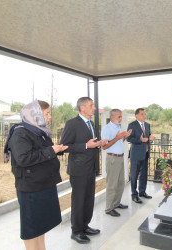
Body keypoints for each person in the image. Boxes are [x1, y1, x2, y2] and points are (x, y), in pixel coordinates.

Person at [5, 100, 68, 250]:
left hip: (44, 185)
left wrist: (58, 149)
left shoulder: (39, 132)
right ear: (35, 114)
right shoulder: (20, 133)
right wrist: (51, 151)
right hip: (31, 189)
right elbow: (23, 158)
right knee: (32, 229)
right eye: (46, 113)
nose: (50, 117)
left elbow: (43, 153)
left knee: (41, 226)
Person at [60, 97, 108, 244]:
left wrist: (98, 144)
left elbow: (91, 144)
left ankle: (85, 226)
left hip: (90, 168)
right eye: (91, 105)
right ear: (82, 108)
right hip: (78, 169)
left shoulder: (91, 123)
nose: (94, 108)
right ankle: (76, 231)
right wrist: (86, 146)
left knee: (88, 200)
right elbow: (64, 146)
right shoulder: (72, 123)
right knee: (78, 201)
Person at [101, 109, 132, 217]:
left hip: (120, 158)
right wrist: (117, 137)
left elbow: (118, 142)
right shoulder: (107, 129)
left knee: (120, 183)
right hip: (113, 159)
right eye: (119, 117)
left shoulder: (118, 127)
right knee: (112, 185)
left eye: (121, 116)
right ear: (113, 117)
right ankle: (109, 208)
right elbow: (104, 146)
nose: (121, 118)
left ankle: (116, 203)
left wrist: (124, 137)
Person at [127, 108, 155, 203]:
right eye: (142, 114)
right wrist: (140, 140)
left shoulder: (147, 125)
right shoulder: (132, 125)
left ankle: (142, 192)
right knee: (134, 175)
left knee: (144, 175)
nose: (144, 116)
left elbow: (148, 137)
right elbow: (129, 139)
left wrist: (151, 138)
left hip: (145, 153)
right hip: (136, 154)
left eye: (145, 114)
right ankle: (134, 194)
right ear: (136, 115)